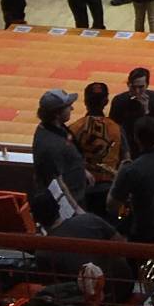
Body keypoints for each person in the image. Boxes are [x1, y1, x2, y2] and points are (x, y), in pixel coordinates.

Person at [32, 88, 92, 217]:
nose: (72, 109)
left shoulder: (55, 128)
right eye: (68, 106)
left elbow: (67, 152)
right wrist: (76, 209)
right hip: (67, 207)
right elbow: (57, 184)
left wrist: (82, 170)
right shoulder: (50, 145)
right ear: (56, 114)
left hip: (77, 195)